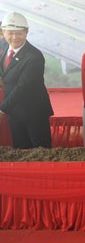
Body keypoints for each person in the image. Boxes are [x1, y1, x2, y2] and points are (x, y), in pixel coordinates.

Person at [0, 12, 53, 148]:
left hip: (34, 112)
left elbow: (23, 87)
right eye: (10, 33)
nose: (15, 37)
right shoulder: (4, 46)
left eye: (19, 33)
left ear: (27, 32)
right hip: (14, 111)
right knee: (20, 152)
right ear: (3, 32)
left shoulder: (34, 57)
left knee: (41, 154)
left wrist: (2, 109)